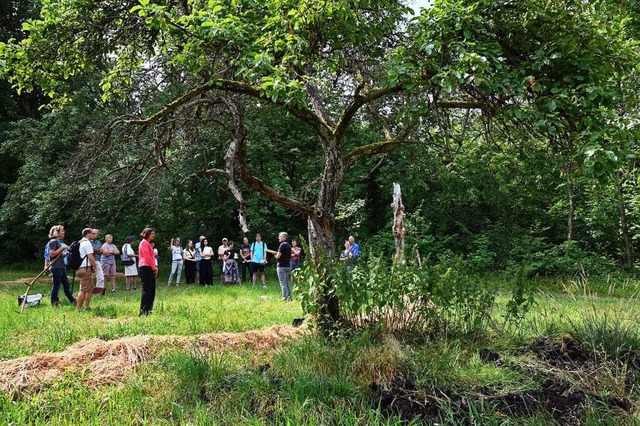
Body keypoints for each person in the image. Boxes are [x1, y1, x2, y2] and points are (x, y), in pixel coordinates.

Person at [47, 225, 76, 307]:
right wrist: (63, 247)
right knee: (56, 286)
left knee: (66, 285)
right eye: (62, 231)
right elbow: (52, 254)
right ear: (56, 232)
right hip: (56, 268)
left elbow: (61, 255)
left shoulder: (58, 242)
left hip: (61, 267)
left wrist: (67, 252)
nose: (64, 232)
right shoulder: (53, 242)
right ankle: (54, 302)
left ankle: (72, 300)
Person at [138, 227, 158, 316]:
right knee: (147, 289)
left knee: (151, 289)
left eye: (154, 233)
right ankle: (143, 311)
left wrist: (154, 267)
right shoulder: (144, 243)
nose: (153, 235)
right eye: (152, 233)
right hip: (145, 267)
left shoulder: (148, 244)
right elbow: (147, 257)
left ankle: (149, 310)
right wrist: (154, 268)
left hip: (149, 267)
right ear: (147, 234)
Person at [76, 228, 97, 312]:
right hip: (85, 268)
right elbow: (91, 257)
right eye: (92, 233)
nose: (94, 235)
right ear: (87, 234)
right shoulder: (87, 243)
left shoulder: (79, 242)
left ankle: (87, 307)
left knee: (89, 288)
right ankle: (78, 309)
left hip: (80, 268)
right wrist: (95, 267)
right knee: (83, 290)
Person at [274, 232, 292, 301]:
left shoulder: (282, 245)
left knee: (282, 283)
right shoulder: (288, 245)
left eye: (280, 236)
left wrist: (275, 255)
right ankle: (289, 297)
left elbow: (278, 256)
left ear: (284, 237)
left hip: (281, 266)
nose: (278, 237)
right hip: (287, 266)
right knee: (287, 282)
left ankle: (284, 298)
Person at [91, 229, 105, 295]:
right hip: (90, 260)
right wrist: (98, 250)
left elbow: (101, 251)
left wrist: (97, 251)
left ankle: (99, 291)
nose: (94, 235)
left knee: (100, 276)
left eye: (96, 234)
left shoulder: (98, 242)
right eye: (93, 233)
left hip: (97, 260)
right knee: (89, 277)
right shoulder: (89, 242)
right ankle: (91, 291)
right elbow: (91, 250)